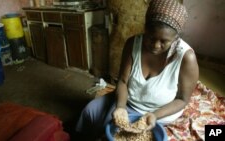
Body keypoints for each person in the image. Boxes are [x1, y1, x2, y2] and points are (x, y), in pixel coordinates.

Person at [76, 0, 199, 139]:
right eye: (151, 38)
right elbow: (122, 81)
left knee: (108, 132)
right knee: (89, 112)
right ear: (145, 28)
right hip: (129, 101)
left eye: (164, 41)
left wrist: (154, 115)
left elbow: (183, 100)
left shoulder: (186, 58)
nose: (156, 46)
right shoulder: (133, 43)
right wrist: (121, 106)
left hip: (158, 112)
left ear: (175, 37)